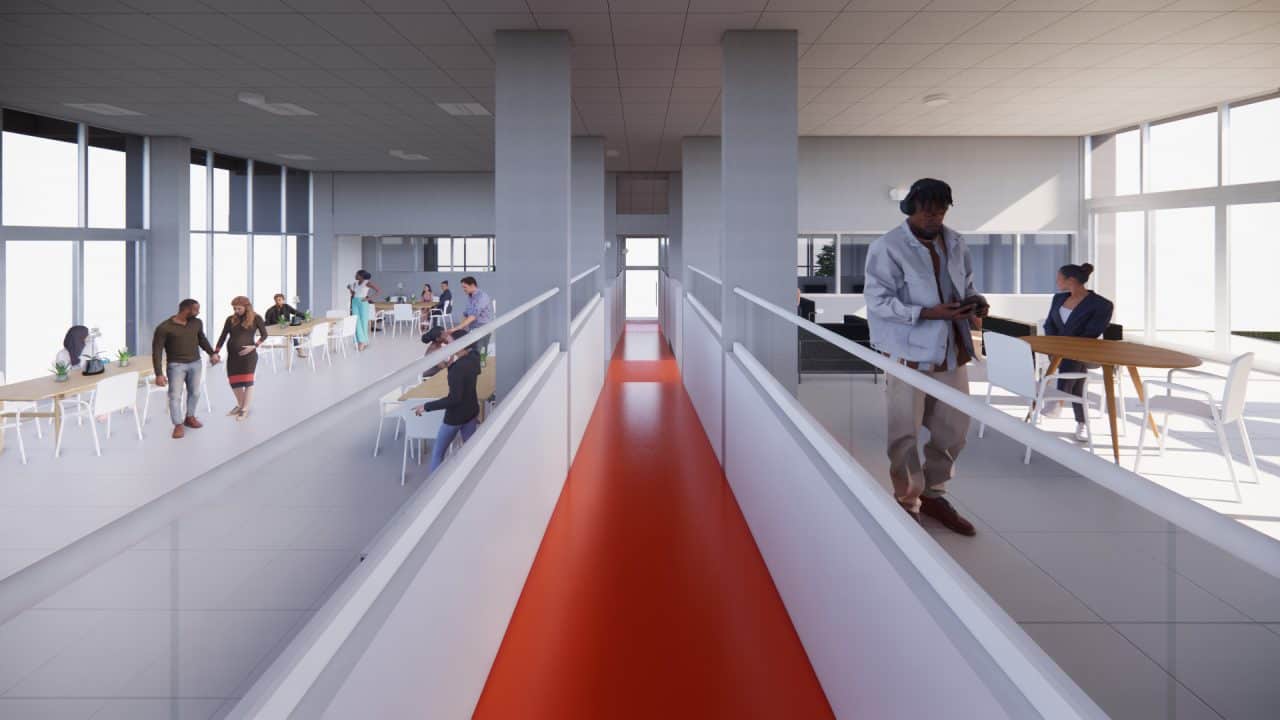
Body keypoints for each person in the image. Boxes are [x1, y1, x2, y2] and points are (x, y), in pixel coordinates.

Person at [864, 178, 985, 535]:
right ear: (911, 208)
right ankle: (907, 500)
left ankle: (934, 494)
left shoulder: (956, 243)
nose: (936, 216)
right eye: (928, 209)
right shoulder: (888, 247)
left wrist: (976, 301)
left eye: (942, 209)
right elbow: (878, 301)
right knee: (904, 434)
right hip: (907, 354)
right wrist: (929, 313)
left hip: (952, 350)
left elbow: (967, 285)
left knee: (954, 432)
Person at [1043, 263, 1114, 442]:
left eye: (1059, 278)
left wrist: (1063, 346)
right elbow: (1049, 324)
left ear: (1071, 280)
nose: (1056, 281)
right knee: (1076, 375)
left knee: (1072, 361)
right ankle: (1081, 422)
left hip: (1088, 352)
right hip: (1059, 352)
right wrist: (1055, 345)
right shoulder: (1058, 299)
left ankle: (1057, 401)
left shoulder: (1102, 305)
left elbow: (1091, 333)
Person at [152, 299, 221, 439]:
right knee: (175, 396)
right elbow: (157, 351)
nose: (198, 312)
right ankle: (178, 425)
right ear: (186, 310)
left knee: (195, 393)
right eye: (196, 309)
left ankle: (190, 417)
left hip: (195, 363)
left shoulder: (196, 322)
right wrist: (158, 374)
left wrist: (212, 353)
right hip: (176, 366)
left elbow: (202, 340)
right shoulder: (164, 328)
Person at [414, 328, 481, 472]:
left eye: (450, 343)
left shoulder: (457, 369)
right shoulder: (474, 357)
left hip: (455, 418)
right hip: (472, 412)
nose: (447, 345)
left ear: (459, 345)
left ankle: (433, 489)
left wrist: (426, 406)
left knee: (438, 454)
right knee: (471, 449)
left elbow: (453, 399)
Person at [214, 296, 269, 421]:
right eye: (234, 308)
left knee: (248, 382)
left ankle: (244, 409)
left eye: (238, 308)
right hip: (233, 356)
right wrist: (216, 351)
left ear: (246, 307)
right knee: (234, 382)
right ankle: (240, 405)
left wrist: (254, 346)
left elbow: (265, 334)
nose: (236, 311)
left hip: (248, 357)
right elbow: (223, 336)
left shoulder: (256, 318)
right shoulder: (230, 319)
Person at [454, 276, 492, 351]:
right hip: (472, 329)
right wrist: (461, 328)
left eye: (465, 287)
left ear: (472, 285)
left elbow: (474, 315)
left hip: (482, 330)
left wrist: (459, 327)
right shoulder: (470, 297)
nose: (463, 290)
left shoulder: (482, 296)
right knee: (470, 352)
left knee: (479, 354)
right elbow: (466, 314)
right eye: (462, 287)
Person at [264, 293, 308, 358]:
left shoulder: (286, 307)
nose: (278, 301)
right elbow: (268, 323)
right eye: (276, 300)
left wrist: (305, 316)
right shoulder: (271, 310)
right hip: (276, 329)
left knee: (293, 333)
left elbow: (296, 312)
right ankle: (299, 351)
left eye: (279, 300)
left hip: (286, 328)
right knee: (292, 334)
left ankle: (299, 350)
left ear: (283, 300)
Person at [347, 269, 381, 351]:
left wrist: (368, 298)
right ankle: (361, 341)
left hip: (363, 303)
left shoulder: (367, 283)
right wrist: (350, 289)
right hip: (355, 301)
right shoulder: (355, 284)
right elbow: (354, 294)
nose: (355, 276)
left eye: (357, 274)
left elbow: (378, 290)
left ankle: (363, 342)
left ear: (361, 276)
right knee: (356, 322)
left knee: (363, 322)